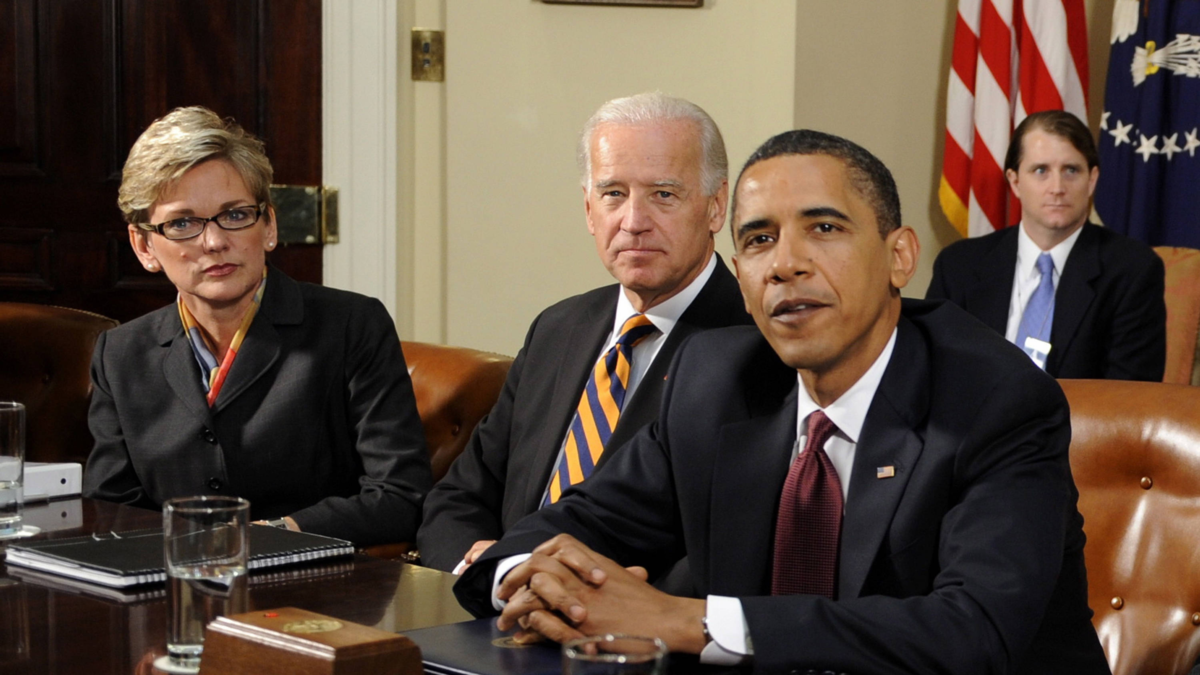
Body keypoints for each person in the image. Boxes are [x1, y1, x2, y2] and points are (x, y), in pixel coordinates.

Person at [453, 130, 1111, 674]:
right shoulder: (712, 381)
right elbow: (574, 525)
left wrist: (686, 620)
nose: (785, 264)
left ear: (900, 257)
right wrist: (537, 580)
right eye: (759, 239)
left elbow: (971, 633)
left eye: (823, 228)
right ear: (740, 280)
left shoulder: (997, 399)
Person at [416, 93, 750, 574]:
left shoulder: (755, 343)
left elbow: (723, 547)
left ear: (716, 207)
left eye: (663, 194)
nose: (633, 222)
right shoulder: (558, 328)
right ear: (589, 210)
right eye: (613, 193)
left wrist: (558, 585)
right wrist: (495, 577)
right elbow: (459, 495)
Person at [83, 107, 432, 546]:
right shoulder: (119, 353)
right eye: (182, 223)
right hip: (168, 579)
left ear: (269, 225)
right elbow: (111, 509)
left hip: (314, 579)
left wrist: (268, 538)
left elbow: (401, 495)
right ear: (144, 246)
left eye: (235, 215)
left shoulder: (351, 325)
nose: (214, 242)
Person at [927, 110, 1165, 381]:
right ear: (1015, 182)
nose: (1057, 187)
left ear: (1092, 180)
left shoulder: (1132, 271)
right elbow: (932, 373)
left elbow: (1128, 394)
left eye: (1071, 170)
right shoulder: (958, 266)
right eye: (1041, 170)